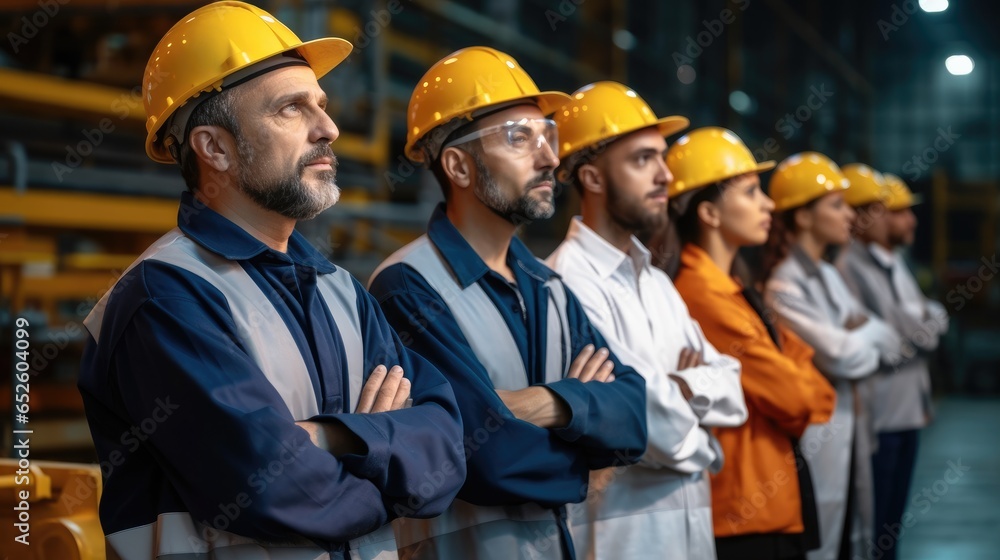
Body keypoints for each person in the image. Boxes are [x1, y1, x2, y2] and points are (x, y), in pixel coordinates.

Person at [77, 3, 465, 559]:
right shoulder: (165, 296)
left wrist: (330, 437)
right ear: (215, 148)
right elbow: (275, 487)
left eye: (322, 106)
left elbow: (447, 452)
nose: (328, 128)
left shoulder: (340, 290)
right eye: (291, 109)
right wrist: (388, 467)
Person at [367, 48, 648, 560]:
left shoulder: (549, 286)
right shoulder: (408, 286)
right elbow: (489, 458)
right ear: (458, 165)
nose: (548, 158)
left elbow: (633, 417)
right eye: (520, 138)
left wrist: (544, 403)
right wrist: (588, 428)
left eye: (549, 137)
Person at [545, 81, 747, 560]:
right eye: (642, 160)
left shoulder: (655, 281)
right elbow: (642, 421)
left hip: (689, 530)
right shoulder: (567, 282)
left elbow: (734, 388)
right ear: (592, 179)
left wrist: (677, 388)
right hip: (623, 537)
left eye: (662, 157)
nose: (665, 175)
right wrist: (702, 432)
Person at [648, 127, 837, 560]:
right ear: (710, 213)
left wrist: (795, 379)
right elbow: (796, 398)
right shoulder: (703, 296)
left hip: (768, 500)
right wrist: (795, 380)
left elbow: (813, 380)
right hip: (744, 512)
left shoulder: (734, 287)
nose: (768, 204)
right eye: (751, 193)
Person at [761, 153, 906, 560]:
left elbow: (889, 339)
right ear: (803, 217)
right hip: (819, 433)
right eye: (837, 205)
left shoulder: (826, 275)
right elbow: (842, 357)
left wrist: (859, 335)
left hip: (850, 425)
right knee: (823, 542)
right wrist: (858, 333)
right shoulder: (784, 284)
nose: (849, 216)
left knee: (848, 536)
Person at [837, 165, 948, 560]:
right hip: (879, 416)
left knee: (889, 527)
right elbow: (898, 340)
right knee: (872, 529)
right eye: (889, 210)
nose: (903, 219)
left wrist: (919, 322)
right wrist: (920, 321)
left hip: (905, 412)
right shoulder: (848, 267)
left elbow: (926, 324)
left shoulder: (895, 262)